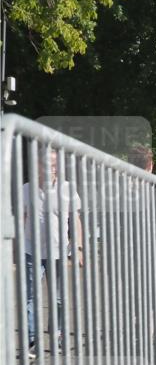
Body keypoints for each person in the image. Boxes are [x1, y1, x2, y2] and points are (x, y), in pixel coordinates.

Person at [21, 148, 84, 354]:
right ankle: (32, 340)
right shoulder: (26, 189)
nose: (52, 168)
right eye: (47, 163)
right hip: (31, 249)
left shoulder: (68, 189)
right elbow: (22, 219)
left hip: (58, 250)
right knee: (31, 296)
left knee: (57, 298)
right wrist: (16, 248)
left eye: (55, 164)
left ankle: (56, 335)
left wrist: (79, 247)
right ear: (38, 165)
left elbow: (75, 220)